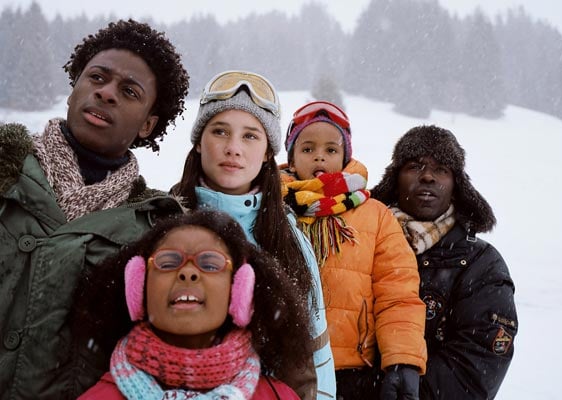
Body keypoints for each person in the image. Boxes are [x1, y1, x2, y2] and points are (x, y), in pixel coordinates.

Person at [0, 19, 189, 399]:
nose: (106, 93)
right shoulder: (5, 172)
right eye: (97, 78)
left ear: (148, 124)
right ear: (73, 90)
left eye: (129, 92)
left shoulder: (155, 229)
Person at [171, 71, 335, 400]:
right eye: (220, 131)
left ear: (266, 154)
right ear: (199, 143)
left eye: (250, 136)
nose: (233, 148)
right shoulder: (164, 222)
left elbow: (316, 349)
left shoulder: (289, 237)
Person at [73, 209, 312, 399]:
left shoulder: (279, 396)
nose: (188, 273)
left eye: (209, 264)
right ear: (138, 285)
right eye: (167, 262)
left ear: (241, 289)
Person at [280, 100, 427, 400]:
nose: (319, 156)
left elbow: (397, 295)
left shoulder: (375, 215)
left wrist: (402, 360)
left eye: (331, 150)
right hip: (280, 370)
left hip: (353, 375)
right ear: (291, 160)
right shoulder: (270, 209)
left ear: (346, 157)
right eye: (307, 149)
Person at [370, 125, 518, 400]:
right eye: (415, 166)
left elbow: (475, 369)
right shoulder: (358, 243)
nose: (427, 176)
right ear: (394, 180)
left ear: (456, 186)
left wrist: (384, 390)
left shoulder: (482, 264)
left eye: (442, 169)